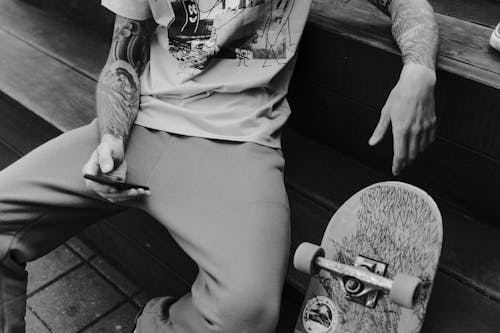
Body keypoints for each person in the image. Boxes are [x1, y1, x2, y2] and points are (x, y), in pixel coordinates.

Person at [0, 0, 438, 332]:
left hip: (237, 142)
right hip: (135, 127)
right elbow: (123, 54)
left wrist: (419, 70)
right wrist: (112, 138)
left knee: (247, 311)